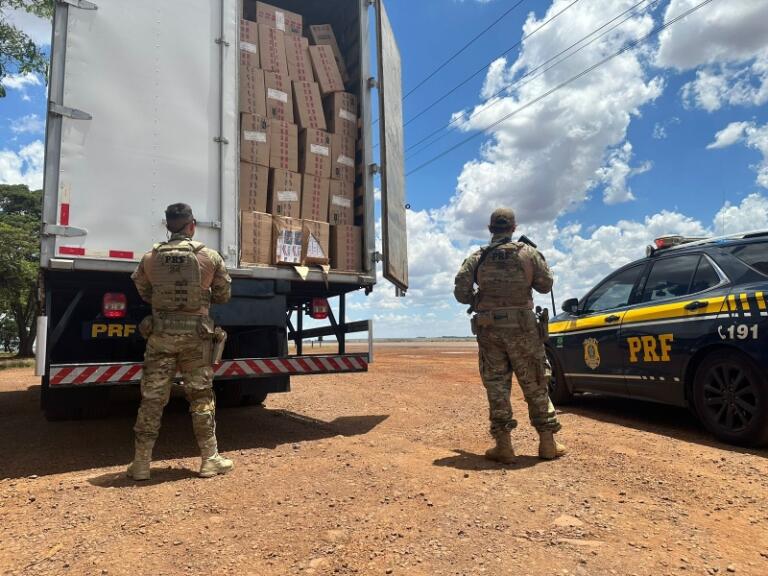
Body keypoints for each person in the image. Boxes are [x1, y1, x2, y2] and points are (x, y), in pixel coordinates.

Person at [127, 203, 234, 480]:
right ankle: (210, 459)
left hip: (160, 336)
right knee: (200, 397)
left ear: (167, 226)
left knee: (152, 398)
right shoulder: (209, 257)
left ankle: (140, 464)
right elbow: (223, 294)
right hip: (196, 339)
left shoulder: (150, 258)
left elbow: (144, 292)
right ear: (192, 225)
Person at [454, 208, 566, 463]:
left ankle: (504, 446)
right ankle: (547, 443)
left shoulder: (477, 258)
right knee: (536, 382)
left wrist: (479, 299)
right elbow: (545, 285)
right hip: (524, 329)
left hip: (489, 329)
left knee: (497, 386)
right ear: (513, 228)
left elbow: (461, 293)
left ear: (490, 228)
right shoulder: (528, 254)